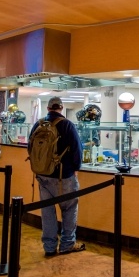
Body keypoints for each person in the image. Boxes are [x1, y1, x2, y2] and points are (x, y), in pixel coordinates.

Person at [28, 97, 85, 257]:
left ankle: (49, 247)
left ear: (48, 108)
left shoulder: (38, 124)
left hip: (43, 176)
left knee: (47, 212)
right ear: (61, 107)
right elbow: (77, 150)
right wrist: (76, 168)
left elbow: (30, 148)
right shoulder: (67, 125)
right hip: (64, 176)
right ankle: (67, 244)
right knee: (69, 209)